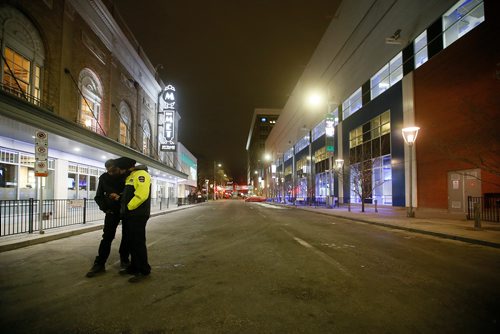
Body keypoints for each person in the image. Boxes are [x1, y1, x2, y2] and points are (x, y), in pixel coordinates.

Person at [86, 159, 130, 278]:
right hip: (111, 212)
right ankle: (100, 263)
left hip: (126, 211)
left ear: (118, 168)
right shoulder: (104, 178)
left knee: (127, 236)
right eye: (108, 171)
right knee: (107, 237)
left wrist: (121, 198)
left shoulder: (127, 176)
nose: (111, 173)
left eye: (113, 170)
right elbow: (98, 196)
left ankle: (125, 261)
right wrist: (105, 208)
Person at [114, 157, 152, 283]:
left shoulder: (142, 175)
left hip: (138, 214)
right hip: (130, 214)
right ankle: (134, 267)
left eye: (119, 169)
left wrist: (129, 207)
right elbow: (129, 195)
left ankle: (143, 269)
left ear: (124, 167)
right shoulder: (132, 175)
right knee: (131, 242)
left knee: (138, 243)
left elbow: (141, 195)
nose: (119, 172)